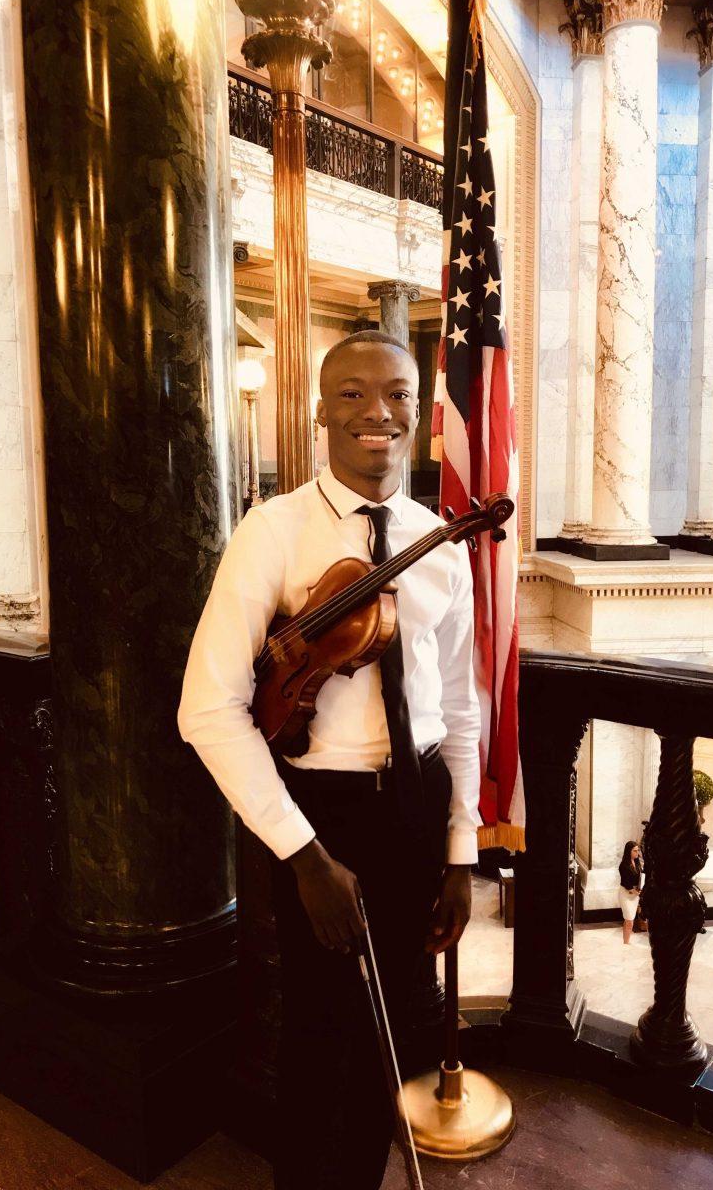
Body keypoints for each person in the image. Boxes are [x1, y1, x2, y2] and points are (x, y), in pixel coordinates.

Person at [178, 330, 482, 1190]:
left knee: (405, 1028)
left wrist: (460, 854)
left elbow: (459, 708)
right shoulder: (271, 532)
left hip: (416, 804)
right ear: (320, 411)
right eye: (350, 393)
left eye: (393, 394)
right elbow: (205, 709)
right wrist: (303, 853)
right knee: (321, 1033)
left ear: (418, 415)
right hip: (322, 809)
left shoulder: (440, 543)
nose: (374, 413)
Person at [618, 840, 644, 945]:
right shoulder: (623, 865)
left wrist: (640, 889)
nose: (637, 853)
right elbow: (626, 883)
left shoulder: (638, 863)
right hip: (626, 894)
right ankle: (626, 943)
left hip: (635, 895)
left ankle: (626, 942)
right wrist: (637, 893)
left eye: (638, 851)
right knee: (629, 920)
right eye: (635, 851)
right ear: (629, 851)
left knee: (629, 920)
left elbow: (640, 879)